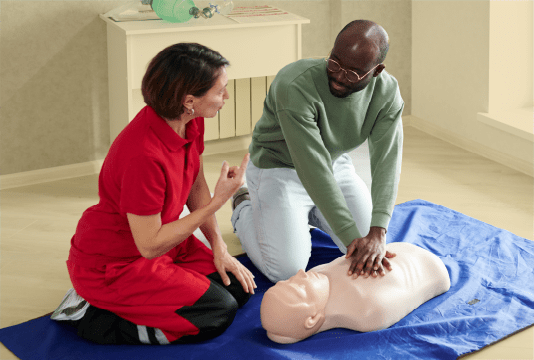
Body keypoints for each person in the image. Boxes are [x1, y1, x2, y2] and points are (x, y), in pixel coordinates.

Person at [50, 43, 257, 345]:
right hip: (117, 263)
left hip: (166, 243)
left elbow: (196, 187)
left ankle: (141, 304)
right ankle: (93, 316)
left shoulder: (190, 121)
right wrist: (219, 201)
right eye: (220, 90)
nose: (226, 97)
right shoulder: (143, 156)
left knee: (238, 289)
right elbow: (148, 245)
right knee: (217, 313)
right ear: (189, 100)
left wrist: (219, 247)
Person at [231, 19, 404, 283]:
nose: (337, 76)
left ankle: (311, 213)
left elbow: (387, 163)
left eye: (353, 73)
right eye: (334, 62)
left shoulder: (388, 92)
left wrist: (377, 232)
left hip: (334, 165)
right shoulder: (294, 84)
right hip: (279, 168)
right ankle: (242, 205)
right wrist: (350, 239)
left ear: (377, 71)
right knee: (287, 271)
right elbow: (311, 167)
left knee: (369, 243)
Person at [260, 242, 451, 343]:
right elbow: (411, 287)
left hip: (400, 250)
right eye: (300, 288)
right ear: (312, 319)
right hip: (429, 267)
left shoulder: (316, 275)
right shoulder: (367, 312)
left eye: (289, 280)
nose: (301, 273)